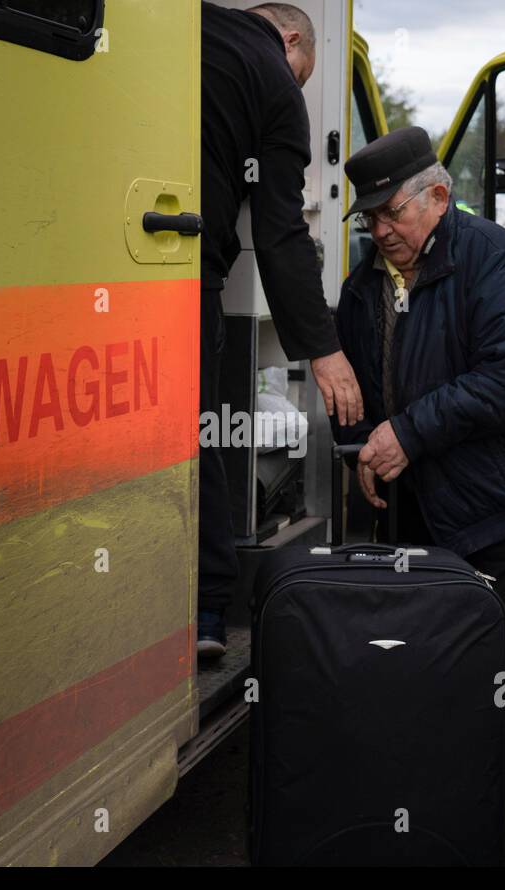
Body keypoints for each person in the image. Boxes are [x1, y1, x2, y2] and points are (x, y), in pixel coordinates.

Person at [333, 126, 505, 787]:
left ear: (438, 196)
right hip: (425, 506)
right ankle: (427, 805)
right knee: (425, 664)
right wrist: (373, 440)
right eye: (370, 216)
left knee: (488, 673)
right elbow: (375, 384)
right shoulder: (367, 283)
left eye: (393, 213)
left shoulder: (492, 259)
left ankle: (484, 817)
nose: (380, 229)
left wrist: (407, 434)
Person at [198, 2, 362, 658]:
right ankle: (208, 610)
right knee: (196, 433)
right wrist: (323, 351)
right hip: (179, 275)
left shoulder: (184, 28)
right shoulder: (272, 80)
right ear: (290, 38)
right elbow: (282, 233)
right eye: (305, 73)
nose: (297, 84)